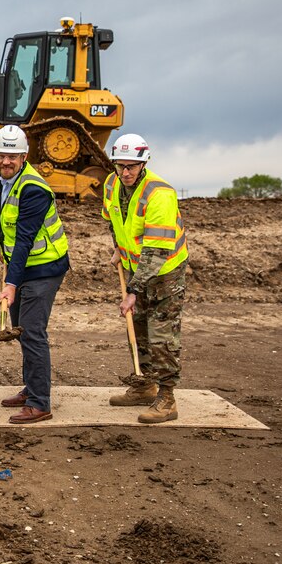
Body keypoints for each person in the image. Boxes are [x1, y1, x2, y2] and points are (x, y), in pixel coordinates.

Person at [102, 133, 189, 423]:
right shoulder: (112, 183)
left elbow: (156, 251)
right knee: (136, 328)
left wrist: (133, 291)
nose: (125, 172)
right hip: (133, 267)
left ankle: (167, 399)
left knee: (162, 335)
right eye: (120, 166)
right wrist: (117, 247)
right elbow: (113, 220)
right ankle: (145, 385)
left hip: (165, 272)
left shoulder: (160, 194)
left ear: (144, 163)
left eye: (132, 166)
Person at [0, 125, 69, 425]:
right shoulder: (2, 179)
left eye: (13, 156)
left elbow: (24, 238)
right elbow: (1, 221)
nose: (6, 162)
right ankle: (31, 387)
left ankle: (39, 403)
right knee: (21, 328)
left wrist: (11, 283)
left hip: (44, 267)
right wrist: (0, 248)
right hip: (23, 266)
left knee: (32, 332)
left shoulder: (33, 188)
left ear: (24, 156)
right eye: (1, 156)